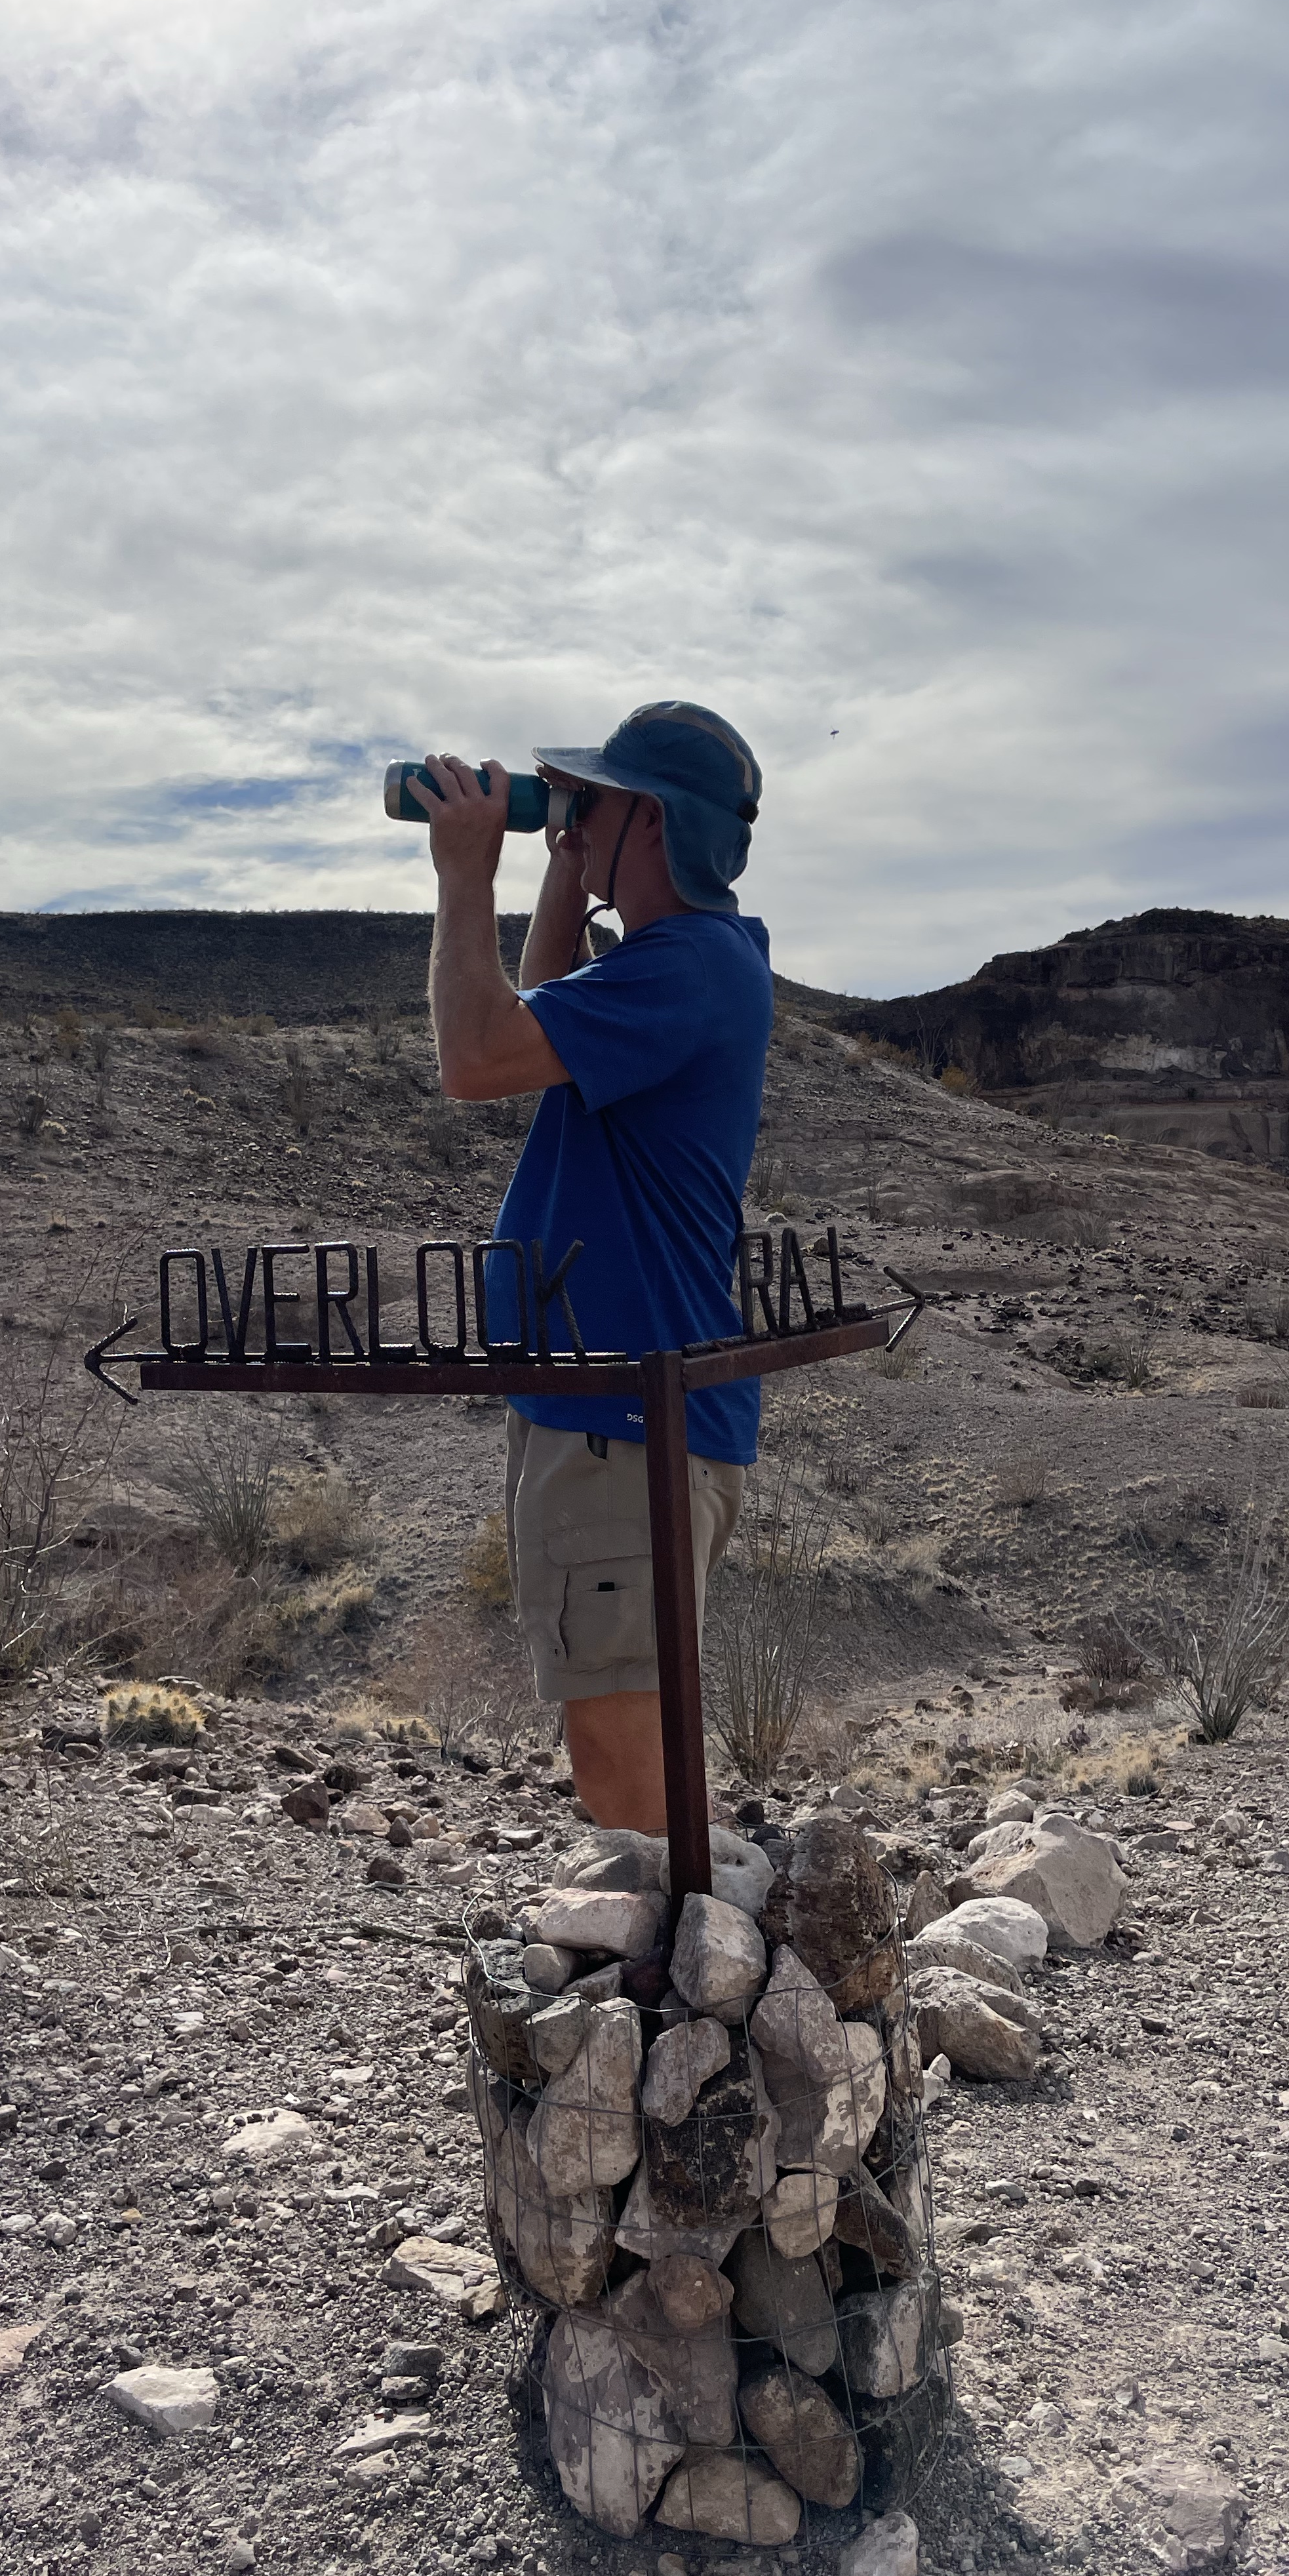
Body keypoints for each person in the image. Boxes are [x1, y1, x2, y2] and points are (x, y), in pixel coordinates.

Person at [411, 702, 772, 1834]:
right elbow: (541, 995)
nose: (570, 819)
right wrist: (571, 857)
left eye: (596, 803)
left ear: (654, 823)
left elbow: (477, 1056)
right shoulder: (689, 962)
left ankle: (677, 1932)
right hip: (614, 1403)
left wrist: (465, 874)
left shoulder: (683, 968)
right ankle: (684, 1918)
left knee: (619, 1743)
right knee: (627, 1717)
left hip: (627, 1411)